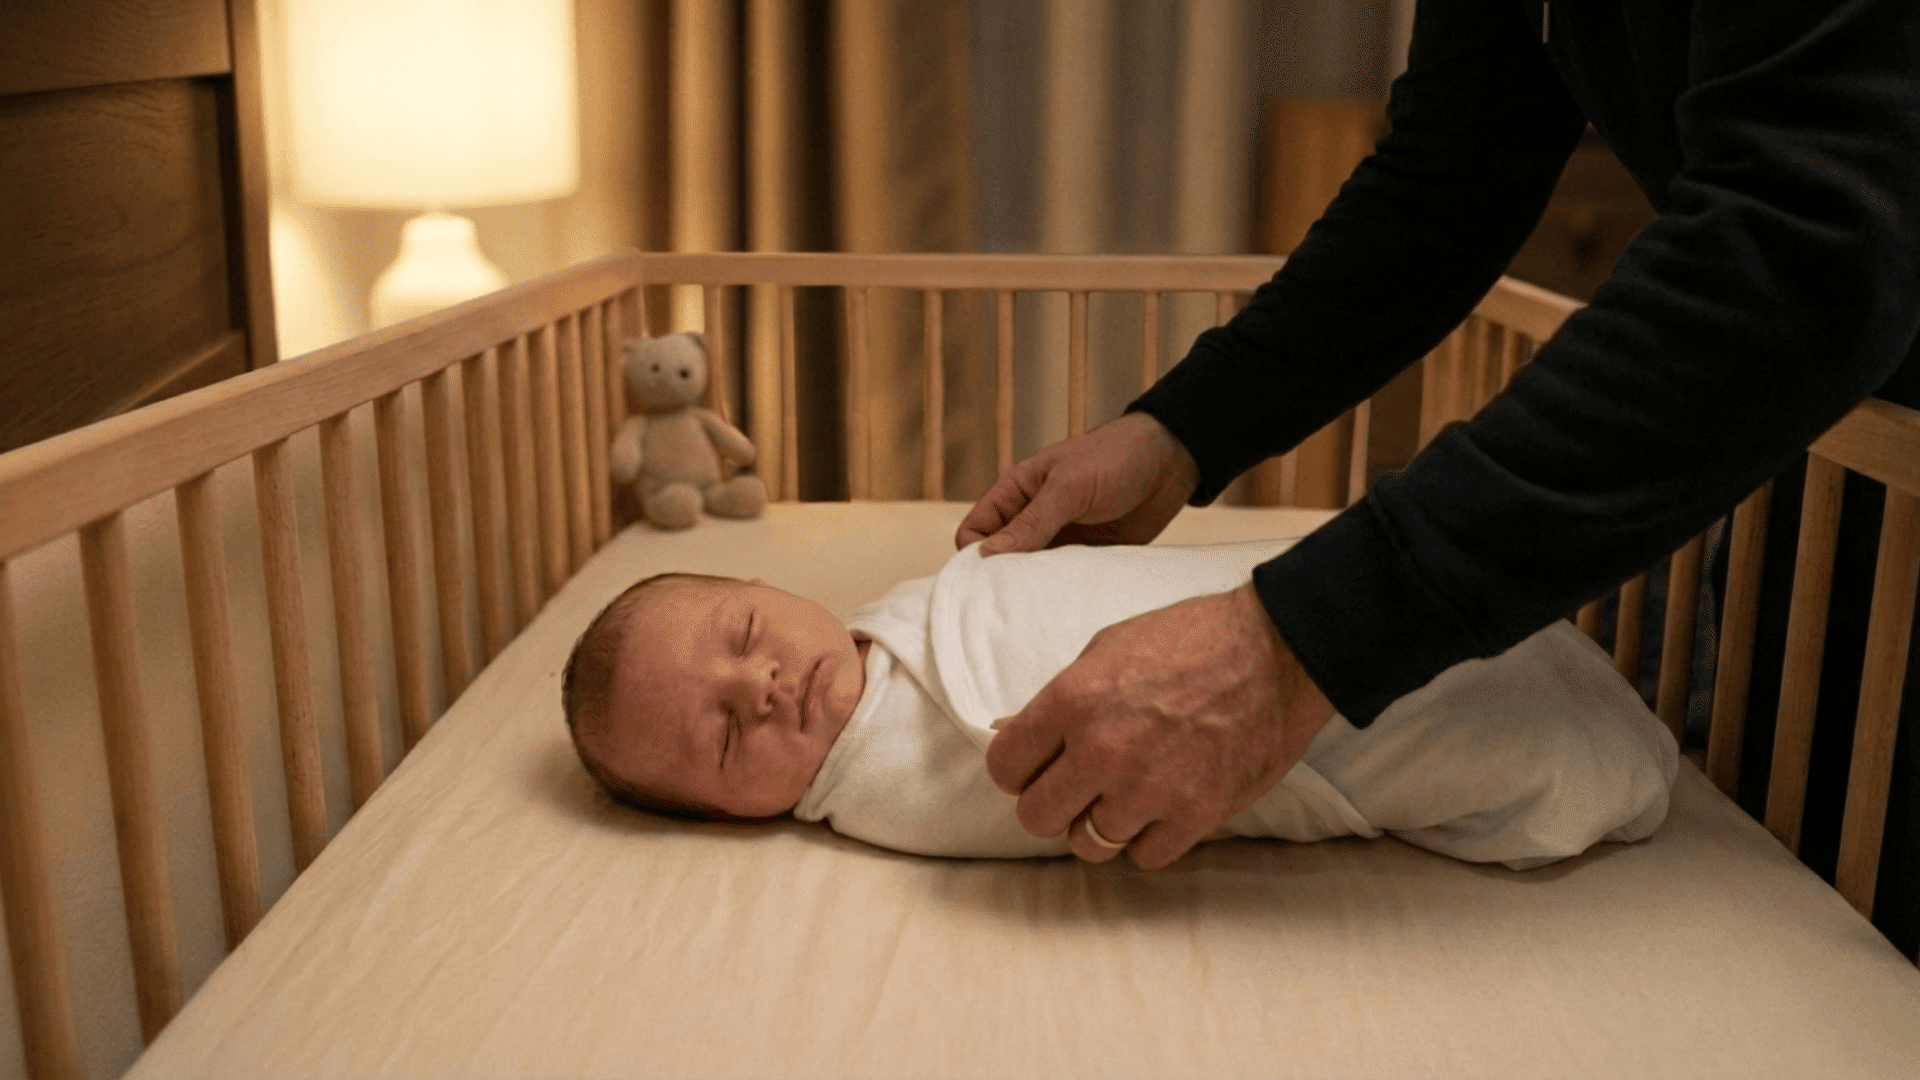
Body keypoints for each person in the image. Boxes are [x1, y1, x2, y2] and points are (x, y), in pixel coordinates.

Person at [956, 0, 1920, 883]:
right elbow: (1449, 175)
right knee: (1801, 872)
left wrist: (1291, 646)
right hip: (1848, 451)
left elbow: (1808, 255)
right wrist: (1181, 431)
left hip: (1871, 410)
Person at [559, 540, 1676, 869]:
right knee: (1433, 721)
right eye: (719, 735)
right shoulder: (889, 791)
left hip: (1264, 596)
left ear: (769, 585)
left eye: (746, 637)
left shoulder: (905, 605)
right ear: (729, 818)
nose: (758, 688)